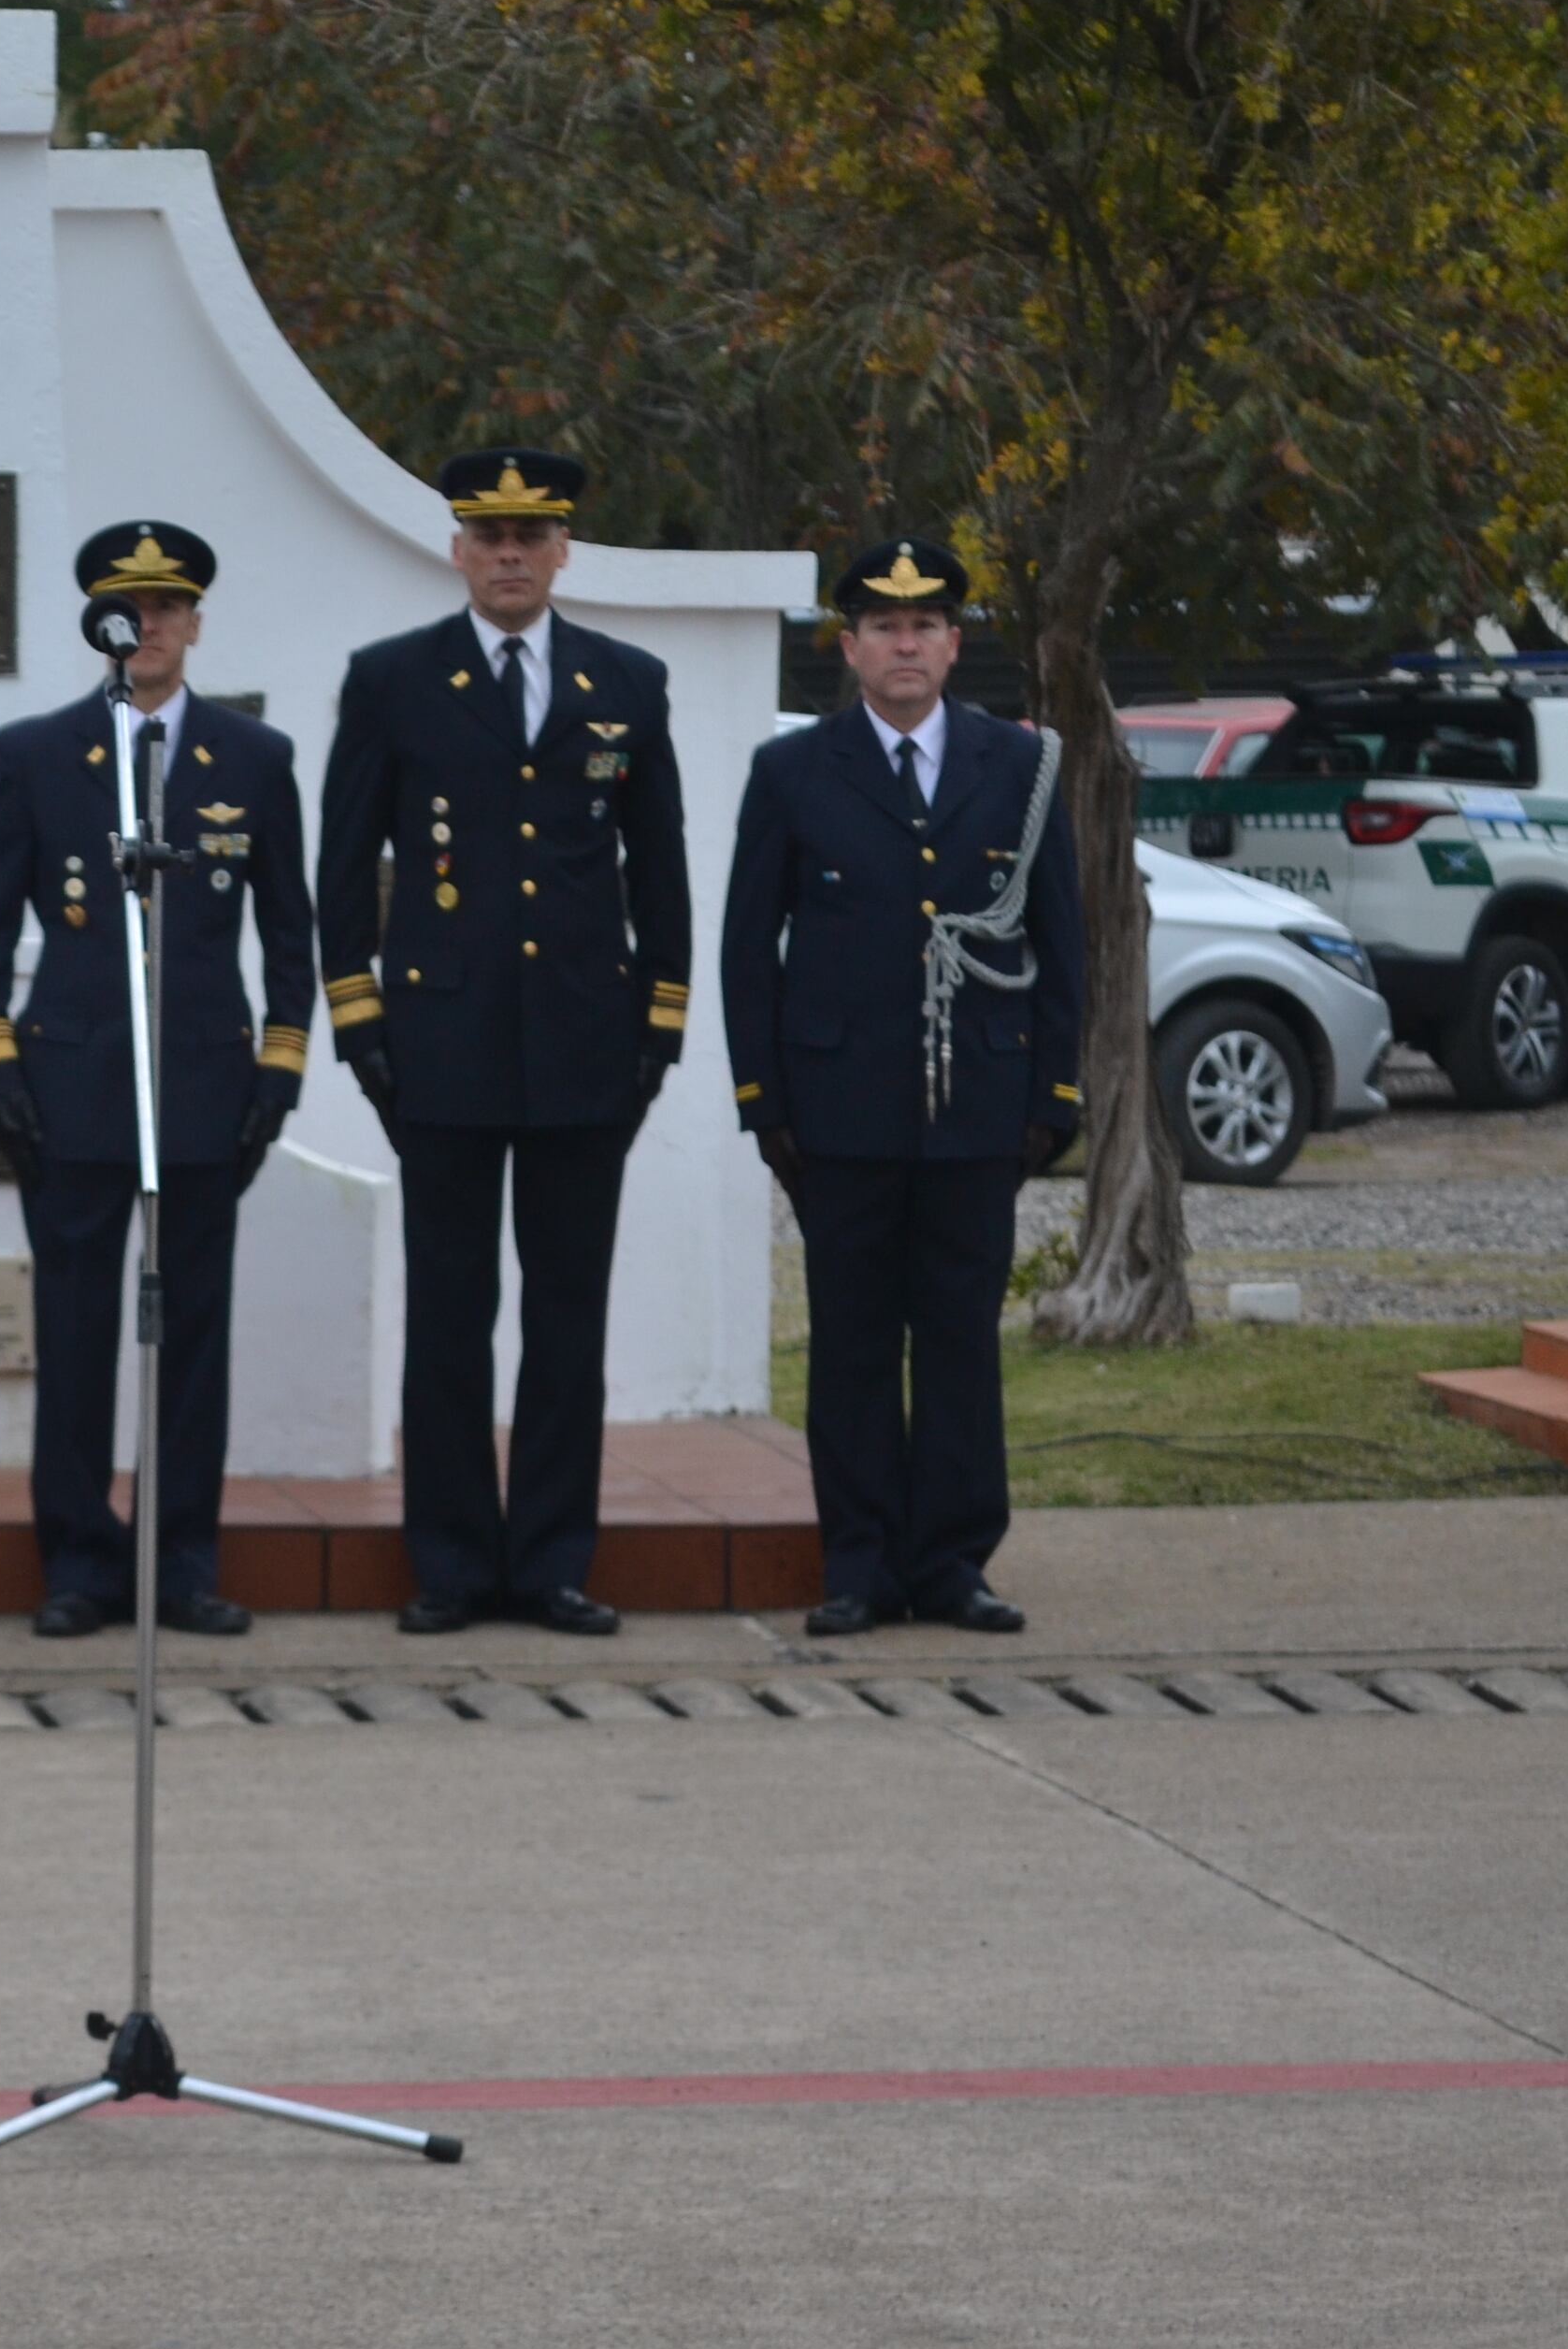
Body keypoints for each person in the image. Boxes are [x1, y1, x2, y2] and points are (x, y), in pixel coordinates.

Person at [315, 449, 692, 1638]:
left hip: (586, 1047)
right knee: (449, 1316)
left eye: (533, 532)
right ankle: (454, 1565)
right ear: (458, 548)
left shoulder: (627, 681)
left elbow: (663, 873)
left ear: (566, 545)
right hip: (442, 1047)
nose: (512, 552)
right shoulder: (392, 682)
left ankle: (552, 1565)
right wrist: (360, 1024)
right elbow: (343, 869)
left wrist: (659, 1031)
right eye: (490, 533)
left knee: (569, 1320)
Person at [719, 535, 1085, 1637]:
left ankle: (954, 1563)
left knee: (963, 1338)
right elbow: (750, 945)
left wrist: (1054, 1094)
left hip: (978, 1105)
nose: (906, 643)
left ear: (955, 643)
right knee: (855, 1342)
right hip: (839, 1110)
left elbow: (1061, 937)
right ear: (850, 647)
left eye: (925, 626)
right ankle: (863, 1562)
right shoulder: (793, 772)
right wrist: (763, 1100)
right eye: (884, 627)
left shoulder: (1019, 769)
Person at [0, 520, 314, 1639]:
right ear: (100, 624)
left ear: (195, 624)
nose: (149, 626)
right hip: (70, 1091)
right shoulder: (36, 753)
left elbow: (291, 928)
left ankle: (183, 1560)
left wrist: (283, 1065)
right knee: (74, 1336)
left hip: (208, 1087)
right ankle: (75, 1560)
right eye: (130, 608)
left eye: (169, 608)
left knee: (193, 1338)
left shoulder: (254, 761)